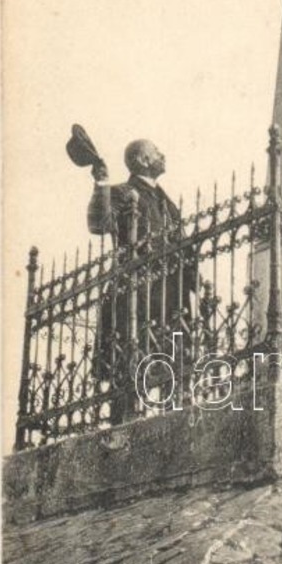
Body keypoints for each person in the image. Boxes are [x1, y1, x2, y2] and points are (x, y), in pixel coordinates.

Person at [87, 140, 194, 420]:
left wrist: (195, 285)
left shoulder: (166, 201)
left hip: (172, 297)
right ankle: (123, 431)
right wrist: (101, 184)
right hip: (137, 295)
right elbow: (99, 223)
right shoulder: (122, 192)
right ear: (142, 159)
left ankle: (177, 428)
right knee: (129, 374)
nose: (163, 154)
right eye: (157, 151)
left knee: (177, 369)